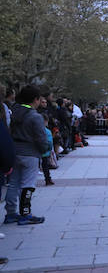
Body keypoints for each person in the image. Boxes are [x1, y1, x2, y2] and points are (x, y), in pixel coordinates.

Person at [5, 85, 51, 225]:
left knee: (13, 183)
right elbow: (41, 137)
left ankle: (11, 213)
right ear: (35, 99)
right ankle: (26, 213)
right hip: (30, 153)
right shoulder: (34, 116)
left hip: (15, 151)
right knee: (28, 184)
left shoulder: (13, 112)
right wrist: (45, 149)